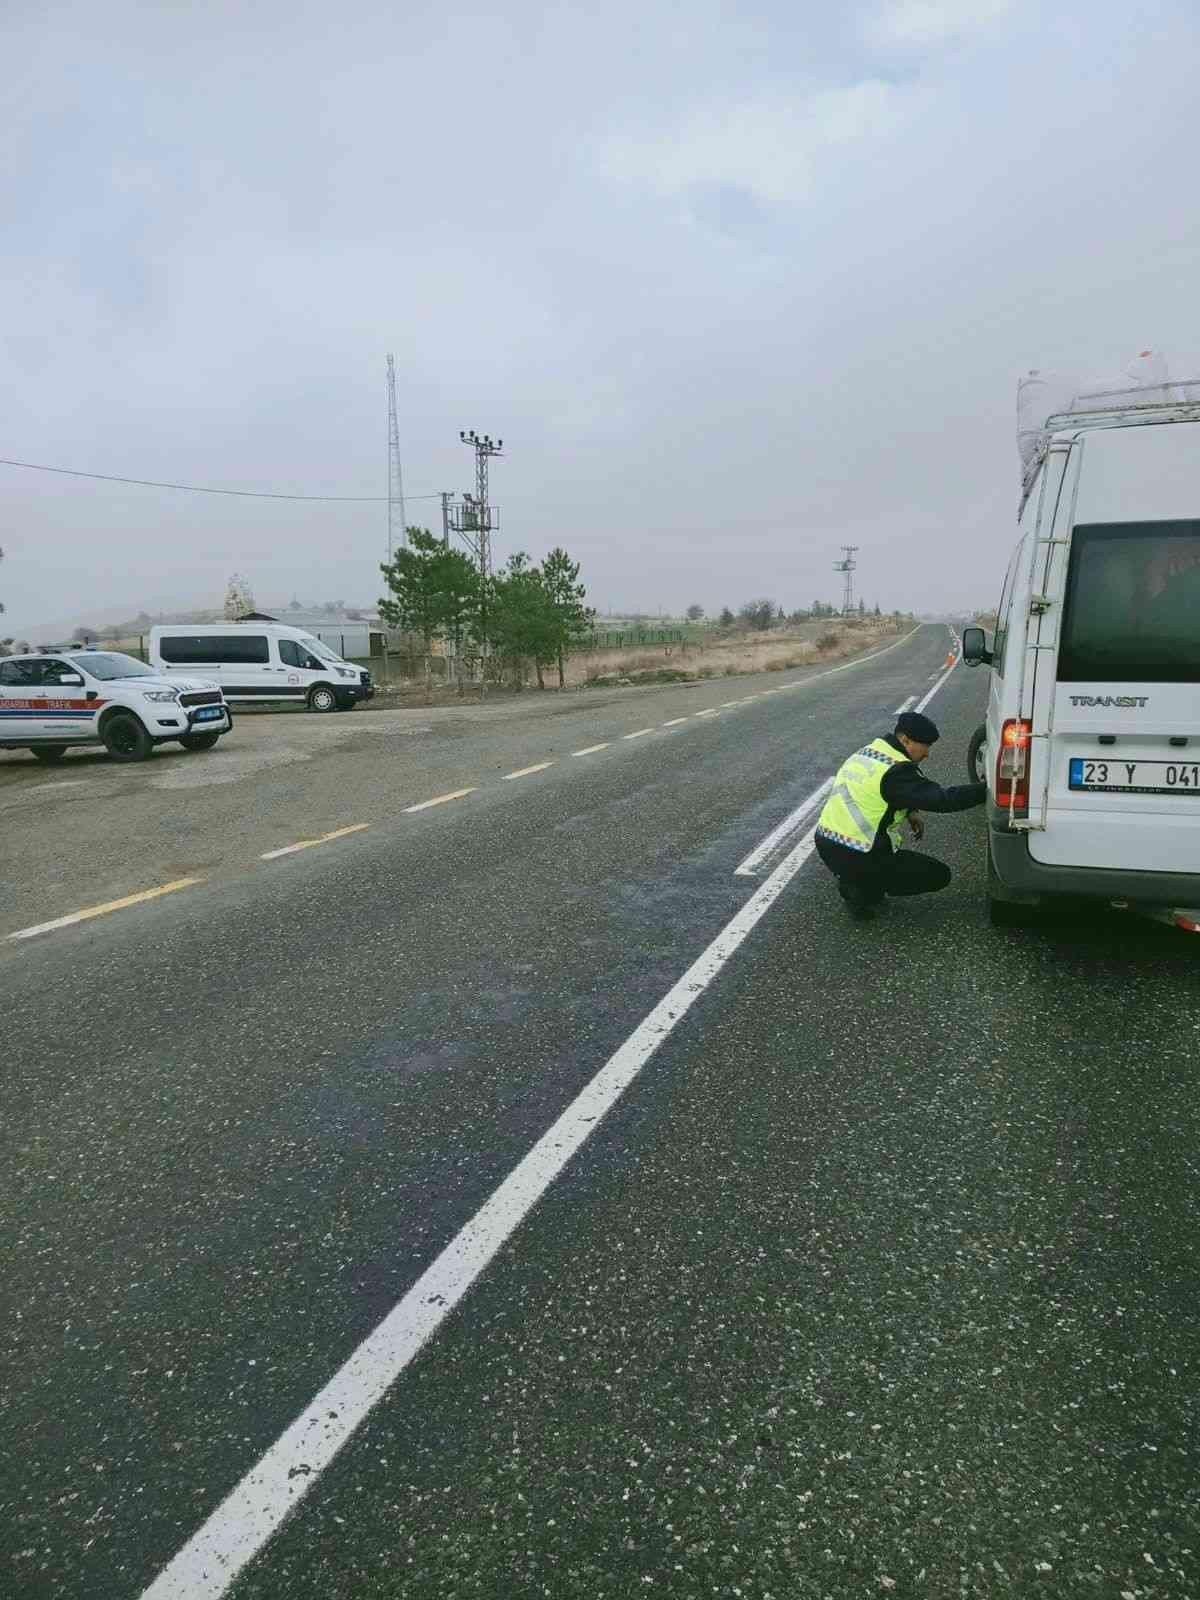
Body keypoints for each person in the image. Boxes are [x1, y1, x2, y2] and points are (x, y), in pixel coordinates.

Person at [814, 710, 986, 920]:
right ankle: (858, 886)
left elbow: (877, 792)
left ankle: (856, 879)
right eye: (925, 746)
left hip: (827, 842)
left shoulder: (871, 752)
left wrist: (911, 812)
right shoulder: (896, 771)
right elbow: (943, 799)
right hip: (858, 852)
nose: (927, 754)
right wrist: (987, 790)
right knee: (938, 875)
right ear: (905, 740)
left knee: (871, 869)